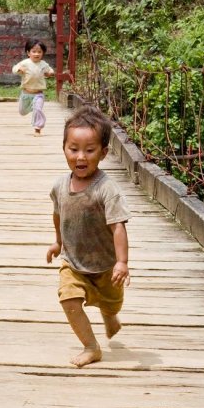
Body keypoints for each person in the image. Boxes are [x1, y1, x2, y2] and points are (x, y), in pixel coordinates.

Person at [46, 106, 131, 367]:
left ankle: (109, 315)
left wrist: (122, 262)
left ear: (103, 153)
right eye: (73, 149)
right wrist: (58, 242)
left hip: (105, 266)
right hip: (73, 263)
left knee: (112, 305)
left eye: (90, 150)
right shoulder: (59, 186)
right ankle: (91, 346)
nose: (80, 156)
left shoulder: (107, 189)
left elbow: (118, 226)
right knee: (68, 299)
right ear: (64, 148)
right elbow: (58, 214)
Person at [12, 39, 55, 136]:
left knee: (38, 109)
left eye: (39, 52)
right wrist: (19, 69)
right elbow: (14, 68)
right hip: (26, 93)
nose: (36, 54)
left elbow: (50, 70)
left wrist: (50, 73)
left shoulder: (44, 64)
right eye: (34, 51)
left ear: (43, 53)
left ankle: (37, 128)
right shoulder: (25, 63)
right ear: (28, 53)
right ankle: (32, 107)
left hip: (38, 94)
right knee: (22, 112)